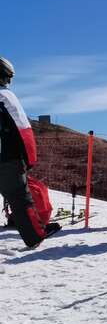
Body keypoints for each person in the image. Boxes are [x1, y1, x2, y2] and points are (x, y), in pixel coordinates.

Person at [0, 56, 60, 247]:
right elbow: (22, 129)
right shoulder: (5, 96)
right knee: (20, 198)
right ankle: (35, 236)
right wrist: (29, 158)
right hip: (7, 157)